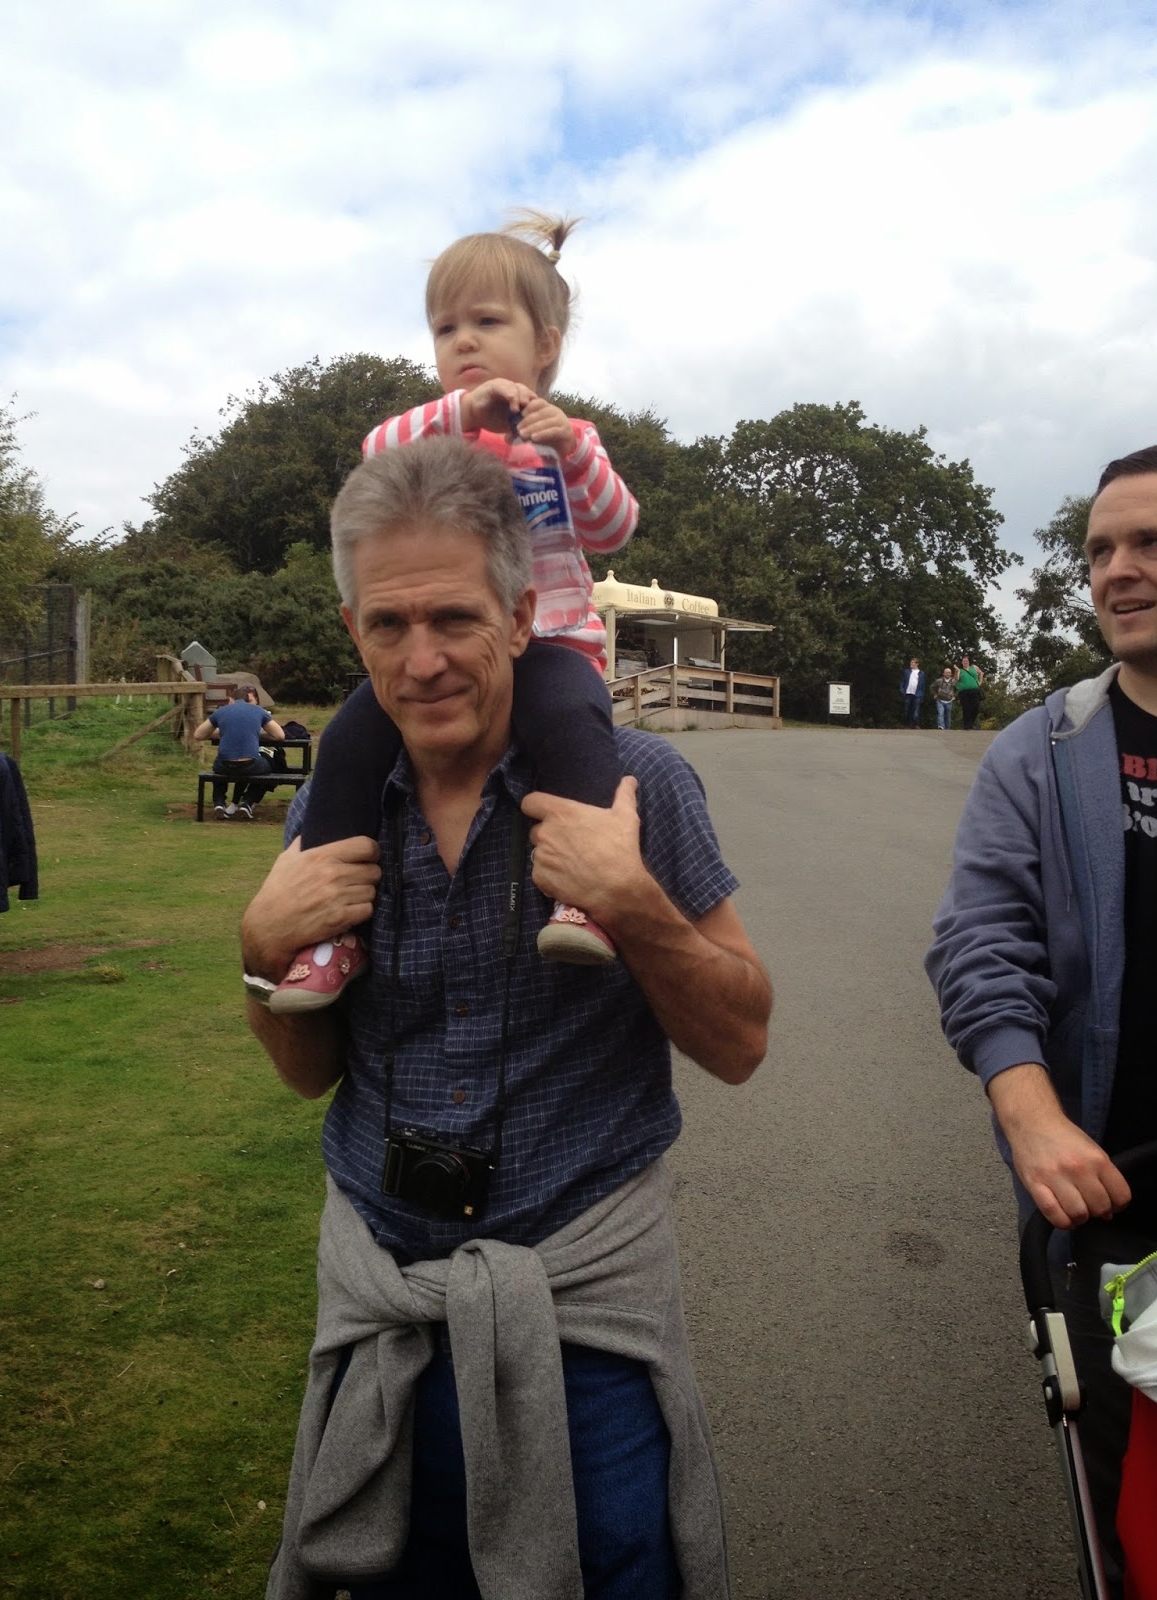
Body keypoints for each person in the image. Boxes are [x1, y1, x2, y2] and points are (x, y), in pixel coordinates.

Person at [244, 437, 772, 1600]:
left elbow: (741, 1041)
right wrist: (257, 955)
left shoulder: (635, 787)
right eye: (389, 624)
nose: (422, 659)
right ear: (353, 632)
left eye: (454, 618)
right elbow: (307, 1068)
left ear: (524, 615)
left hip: (580, 1327)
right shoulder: (334, 813)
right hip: (383, 1309)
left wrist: (634, 904)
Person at [270, 212, 637, 1014]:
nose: (463, 341)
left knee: (573, 726)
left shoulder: (572, 440)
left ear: (545, 344)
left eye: (487, 322)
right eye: (445, 328)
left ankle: (585, 899)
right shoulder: (438, 434)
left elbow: (614, 528)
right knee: (348, 743)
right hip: (451, 642)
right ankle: (329, 933)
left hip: (553, 646)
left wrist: (573, 453)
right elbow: (375, 453)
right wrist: (462, 416)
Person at [925, 443, 1157, 1596]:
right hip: (1123, 1218)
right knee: (1139, 1516)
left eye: (1150, 542)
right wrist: (1030, 1115)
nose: (1117, 569)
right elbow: (979, 940)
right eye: (1099, 550)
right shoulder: (1043, 752)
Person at [193, 684, 285, 821]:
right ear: (248, 698)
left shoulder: (221, 711)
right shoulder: (258, 711)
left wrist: (223, 731)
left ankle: (219, 803)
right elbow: (280, 735)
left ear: (231, 699)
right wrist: (258, 734)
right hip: (250, 764)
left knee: (218, 764)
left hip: (225, 765)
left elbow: (198, 735)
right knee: (270, 766)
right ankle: (248, 802)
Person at [956, 654, 984, 729]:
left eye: (966, 661)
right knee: (966, 708)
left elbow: (981, 673)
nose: (965, 662)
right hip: (964, 692)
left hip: (975, 690)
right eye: (963, 661)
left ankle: (971, 722)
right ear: (962, 662)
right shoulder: (960, 670)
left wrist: (980, 682)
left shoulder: (974, 667)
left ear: (969, 662)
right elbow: (956, 679)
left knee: (976, 707)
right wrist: (956, 672)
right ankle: (966, 725)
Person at [900, 657, 925, 727]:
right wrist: (902, 690)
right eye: (911, 662)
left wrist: (922, 695)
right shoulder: (906, 672)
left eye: (912, 662)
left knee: (916, 709)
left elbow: (923, 685)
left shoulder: (921, 673)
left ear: (917, 664)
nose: (911, 664)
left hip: (917, 694)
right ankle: (907, 723)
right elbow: (903, 681)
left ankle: (915, 724)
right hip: (908, 693)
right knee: (907, 709)